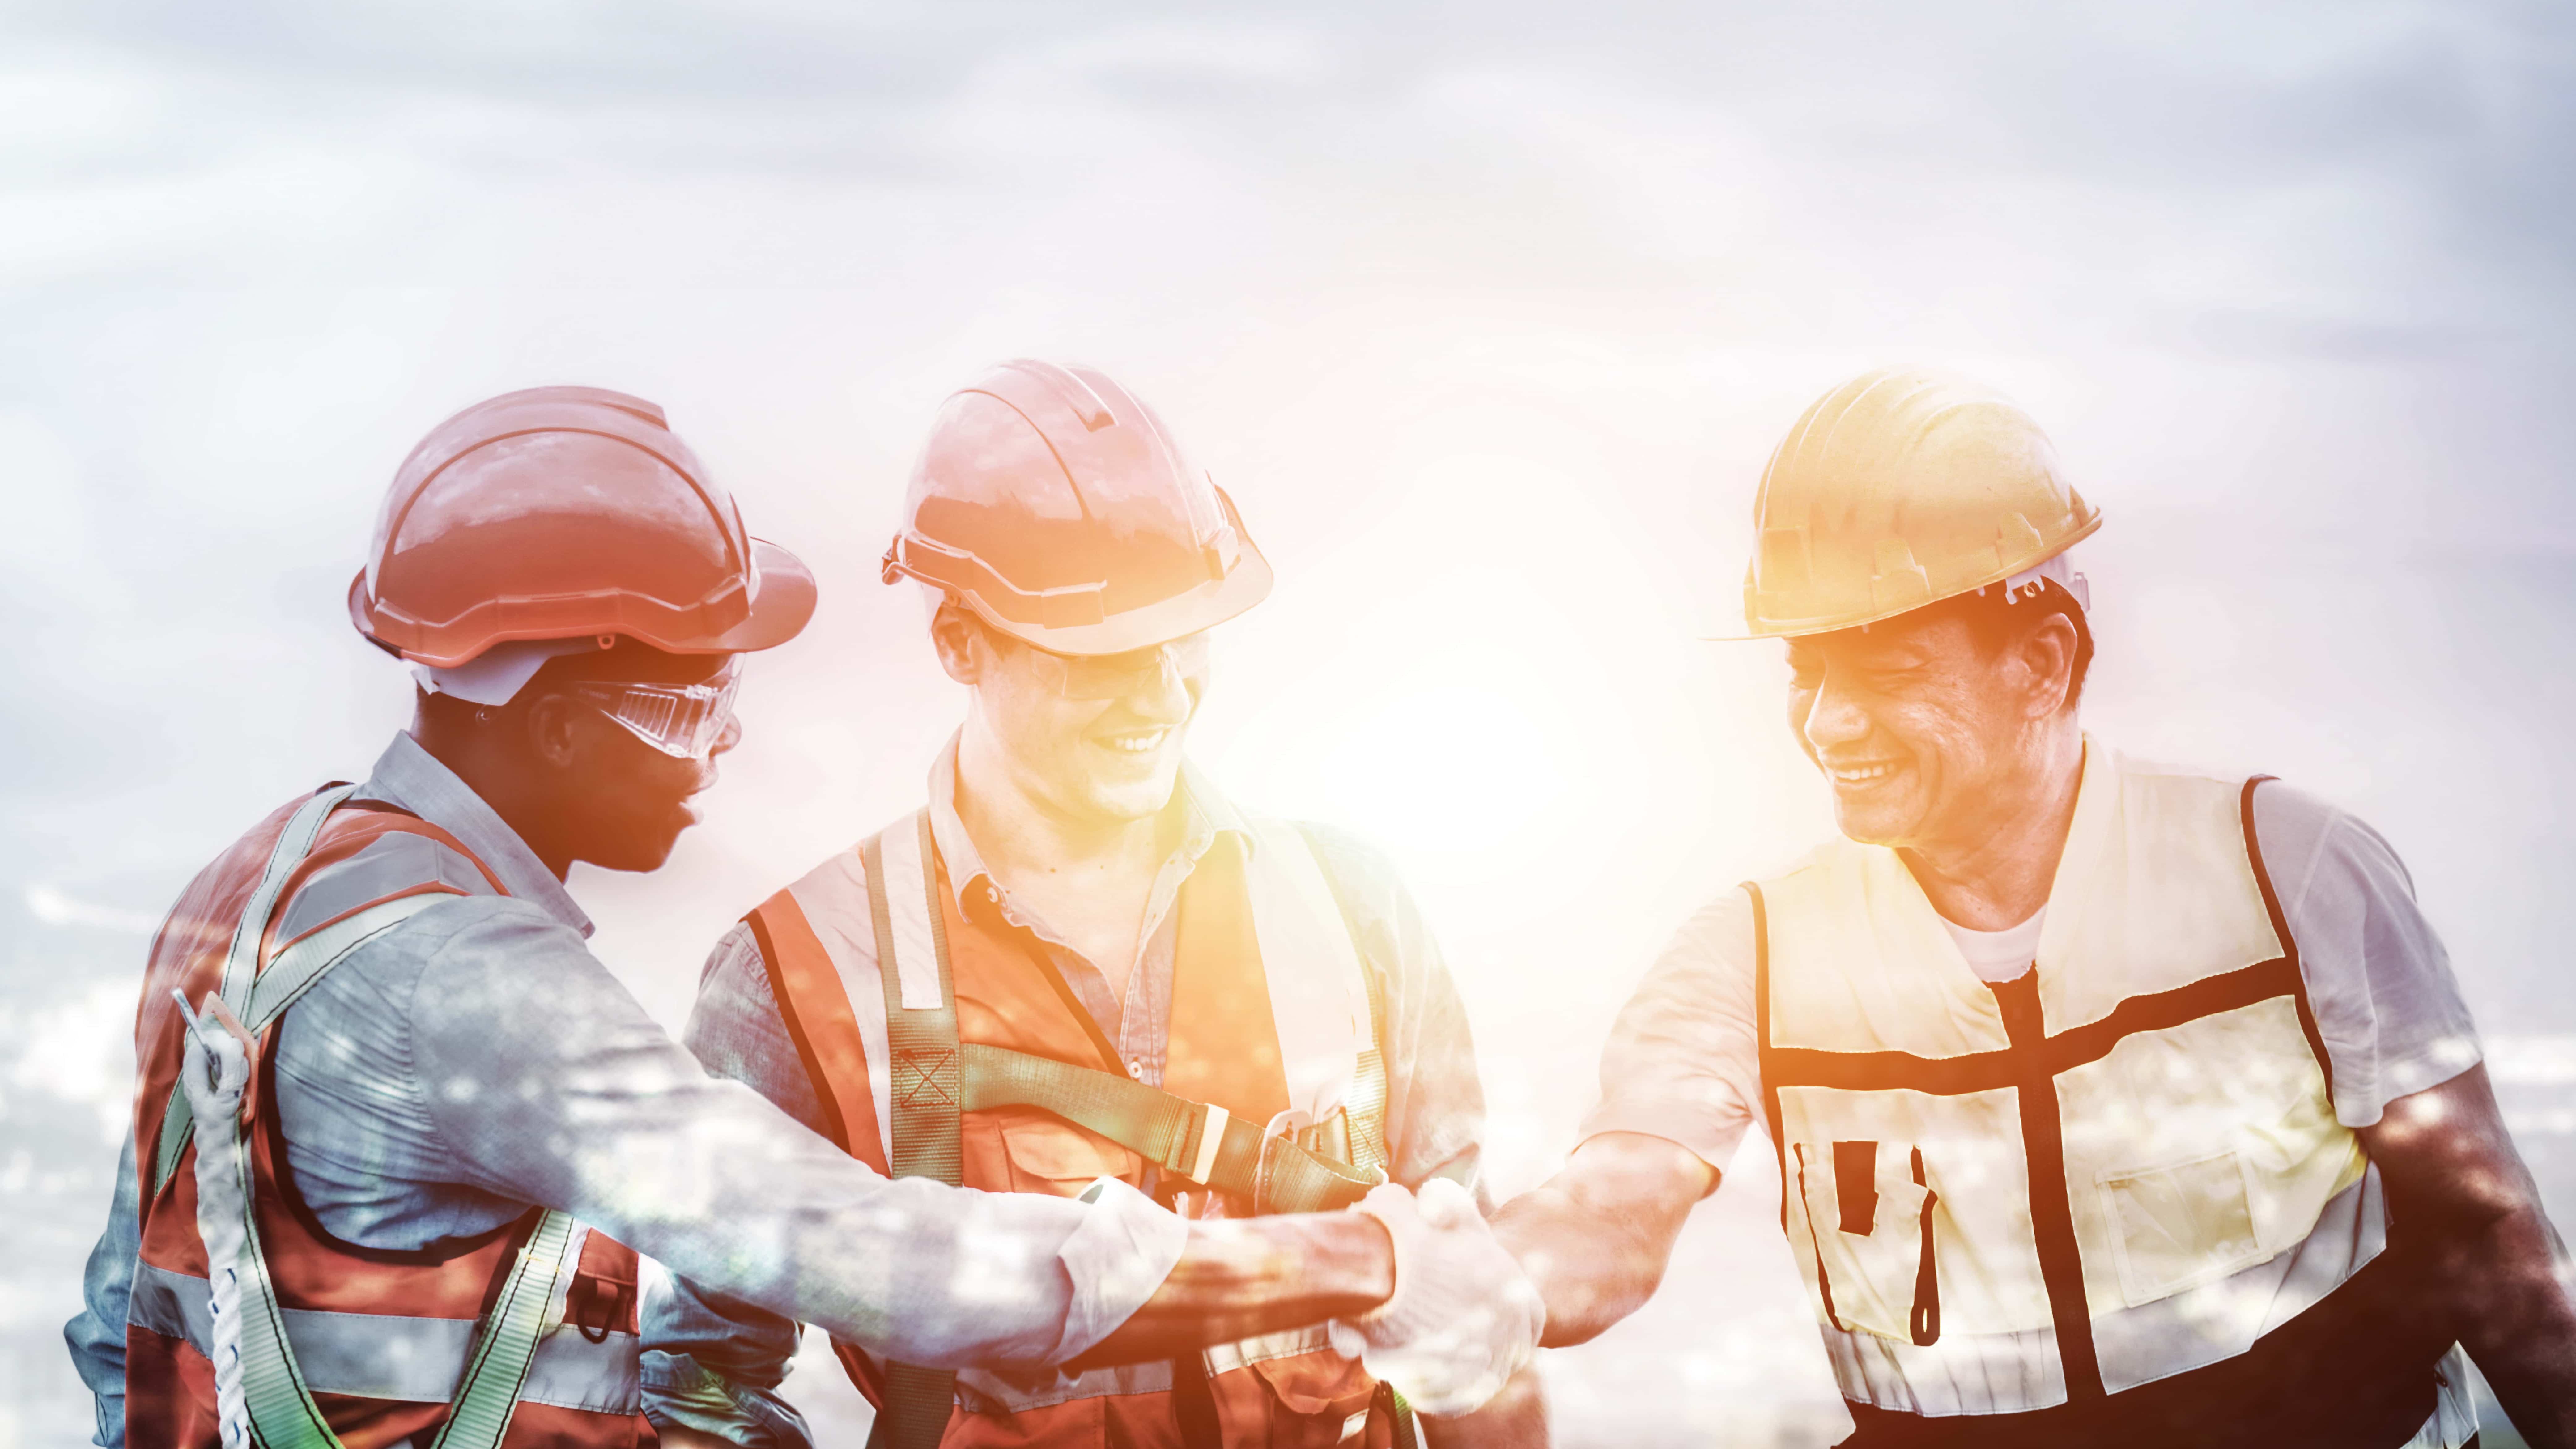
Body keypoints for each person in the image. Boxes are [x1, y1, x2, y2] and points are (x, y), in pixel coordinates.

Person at [66, 385, 1538, 1449]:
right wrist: (1359, 1261)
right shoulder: (493, 984)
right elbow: (880, 1260)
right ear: (559, 720)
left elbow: (126, 1314)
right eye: (695, 703)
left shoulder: (263, 885)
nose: (724, 747)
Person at [1492, 368, 2576, 1447]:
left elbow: (2481, 1226)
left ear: (2042, 664)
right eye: (1806, 674)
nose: (1828, 724)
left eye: (1886, 673)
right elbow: (1613, 1210)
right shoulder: (1752, 955)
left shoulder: (2288, 873)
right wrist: (1459, 1281)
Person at [643, 359, 1543, 1448]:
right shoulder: (795, 975)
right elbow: (700, 1383)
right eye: (1105, 651)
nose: (1163, 695)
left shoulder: (1353, 907)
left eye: (1184, 635)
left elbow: (1476, 1320)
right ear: (959, 642)